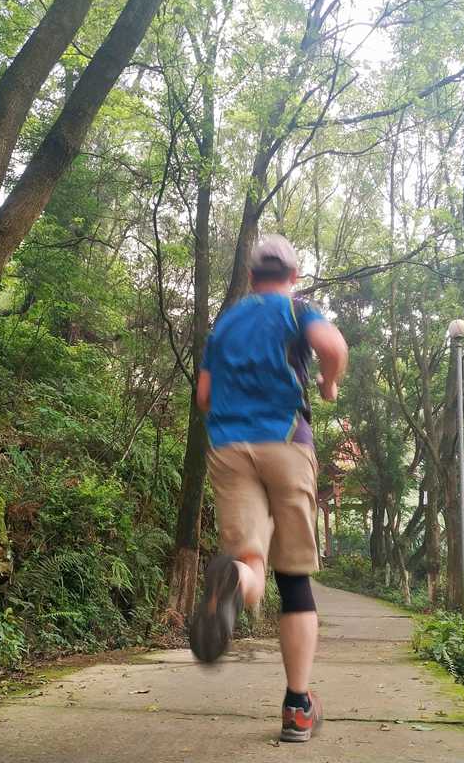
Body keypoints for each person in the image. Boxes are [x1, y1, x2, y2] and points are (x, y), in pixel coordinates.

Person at [189, 233, 348, 743]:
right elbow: (332, 347)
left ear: (251, 276)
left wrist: (234, 422)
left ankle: (234, 577)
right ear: (293, 276)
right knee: (294, 578)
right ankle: (298, 708)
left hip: (229, 448)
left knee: (250, 560)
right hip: (285, 442)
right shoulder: (297, 311)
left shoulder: (226, 323)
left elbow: (204, 395)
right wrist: (327, 384)